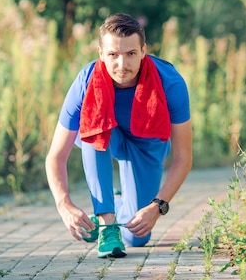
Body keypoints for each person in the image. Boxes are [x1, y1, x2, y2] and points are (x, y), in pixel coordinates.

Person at [45, 13, 193, 258]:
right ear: (101, 53)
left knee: (137, 236)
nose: (122, 64)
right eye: (113, 55)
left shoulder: (171, 83)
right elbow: (55, 156)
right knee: (95, 127)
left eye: (131, 53)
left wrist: (157, 206)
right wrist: (64, 205)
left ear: (144, 51)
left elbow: (183, 158)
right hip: (106, 137)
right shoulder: (85, 81)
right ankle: (106, 223)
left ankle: (116, 200)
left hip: (148, 146)